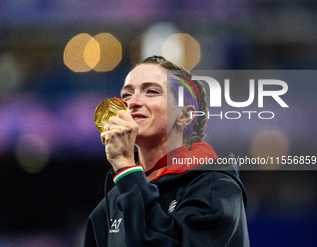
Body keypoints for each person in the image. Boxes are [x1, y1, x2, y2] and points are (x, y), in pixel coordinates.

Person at [84, 56, 249, 247]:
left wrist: (125, 166)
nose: (132, 102)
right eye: (127, 94)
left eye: (151, 91)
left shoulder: (216, 188)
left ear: (185, 115)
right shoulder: (111, 204)